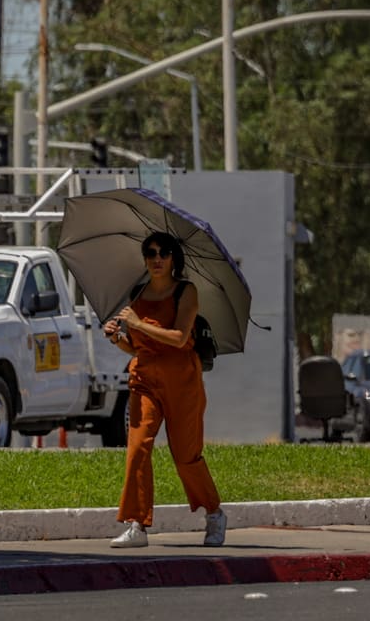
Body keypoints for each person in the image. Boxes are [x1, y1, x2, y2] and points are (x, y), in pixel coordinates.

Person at [101, 231, 226, 548]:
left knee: (185, 456)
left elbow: (180, 338)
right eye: (150, 252)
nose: (156, 259)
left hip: (182, 380)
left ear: (174, 258)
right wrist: (117, 338)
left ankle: (213, 513)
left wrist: (139, 323)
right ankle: (136, 525)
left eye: (164, 252)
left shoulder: (186, 291)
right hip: (144, 378)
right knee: (137, 448)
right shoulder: (137, 293)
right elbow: (137, 349)